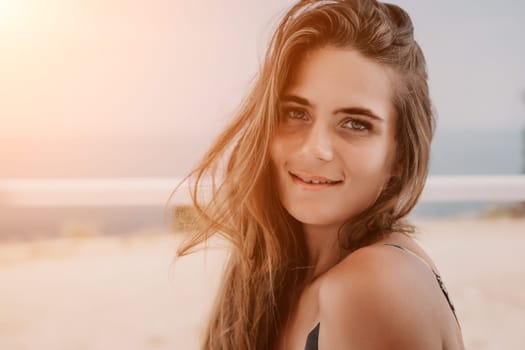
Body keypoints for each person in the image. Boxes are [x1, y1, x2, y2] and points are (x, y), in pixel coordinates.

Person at [174, 0, 465, 349]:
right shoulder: (274, 277)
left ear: (400, 154)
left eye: (356, 124)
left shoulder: (371, 284)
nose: (316, 149)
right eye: (296, 113)